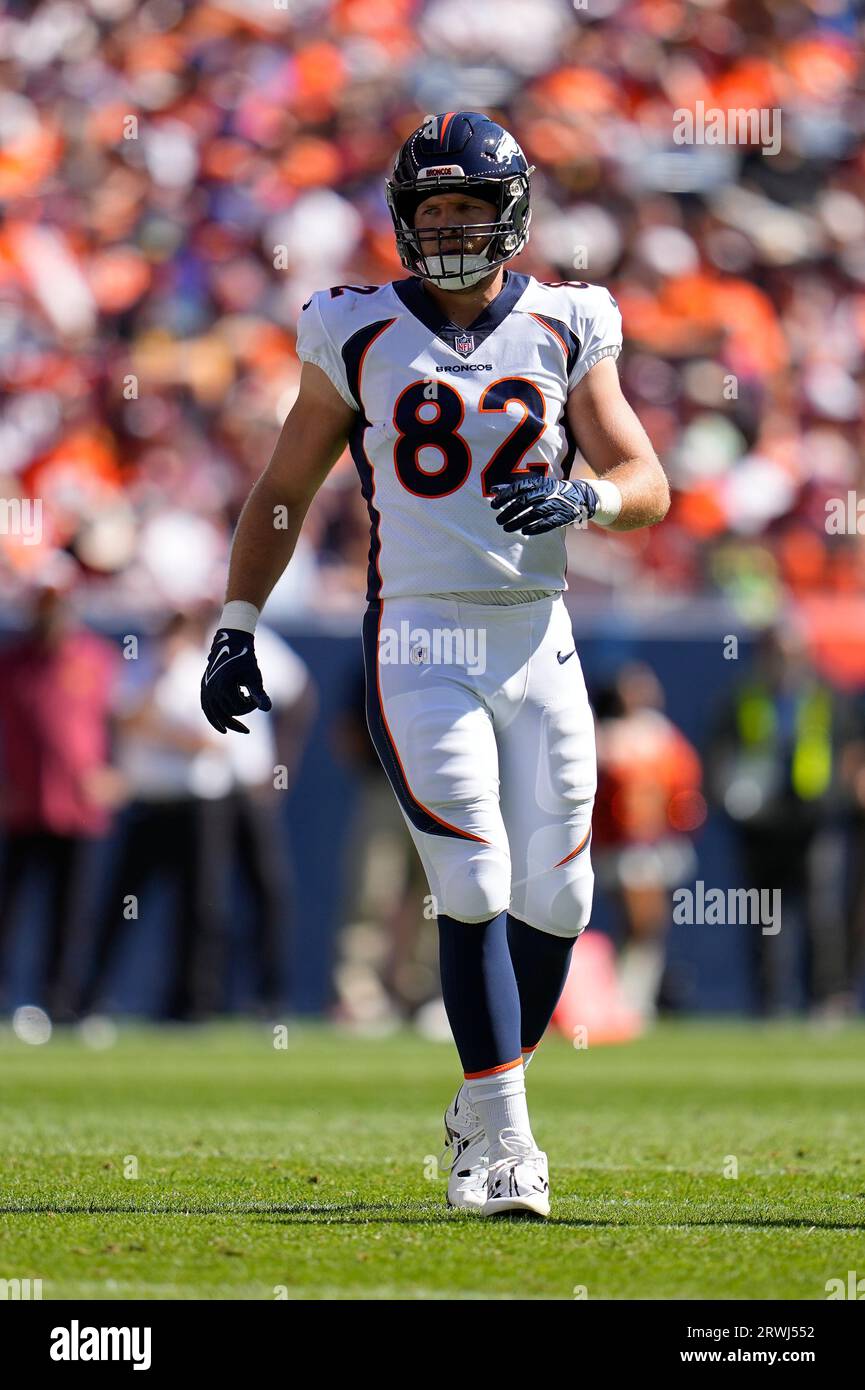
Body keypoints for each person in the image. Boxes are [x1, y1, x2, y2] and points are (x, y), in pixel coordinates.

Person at [200, 112, 669, 1217]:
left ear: (511, 213)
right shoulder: (351, 325)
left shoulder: (565, 319)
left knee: (560, 898)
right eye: (433, 207)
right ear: (404, 217)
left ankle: (482, 1091)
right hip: (416, 630)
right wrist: (235, 620)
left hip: (535, 628)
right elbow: (283, 488)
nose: (451, 225)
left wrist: (588, 495)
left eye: (468, 206)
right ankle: (501, 1143)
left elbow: (647, 478)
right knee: (472, 879)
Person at [0, 581, 121, 1016]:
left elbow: (119, 721)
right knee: (10, 910)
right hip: (23, 806)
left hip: (79, 808)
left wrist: (115, 772)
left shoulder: (97, 658)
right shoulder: (12, 663)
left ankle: (63, 1004)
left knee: (71, 915)